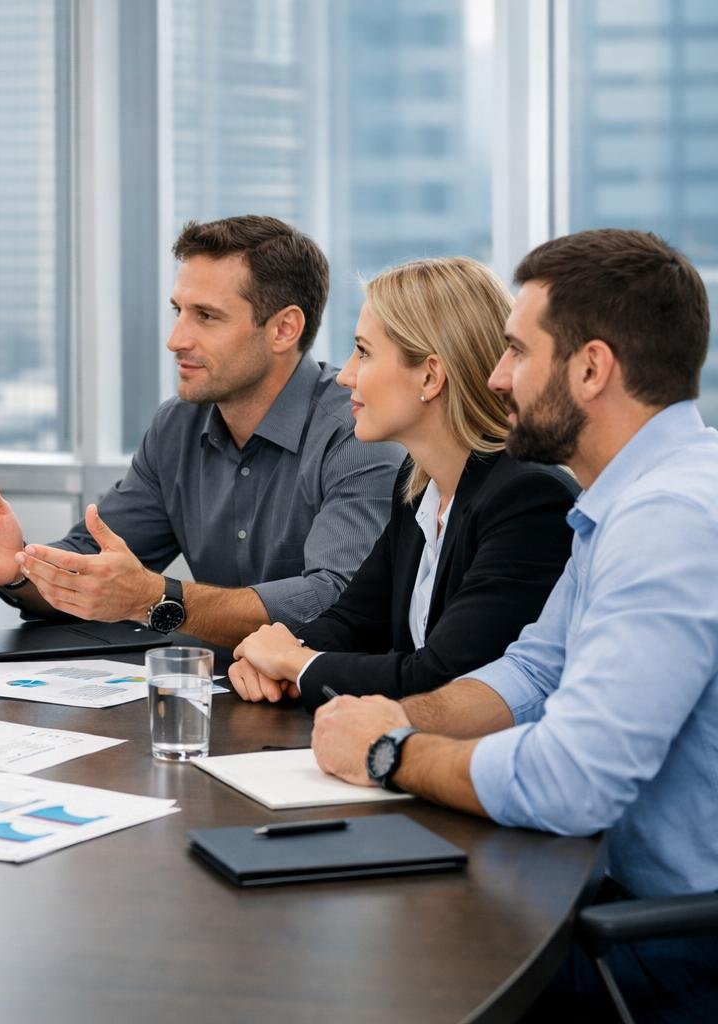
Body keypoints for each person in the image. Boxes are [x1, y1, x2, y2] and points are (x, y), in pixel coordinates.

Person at [309, 229, 718, 1020]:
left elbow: (571, 782)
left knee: (370, 973)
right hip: (613, 894)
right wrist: (392, 716)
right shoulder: (628, 501)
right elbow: (532, 672)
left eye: (517, 354)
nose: (496, 378)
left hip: (674, 945)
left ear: (591, 369)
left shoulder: (668, 521)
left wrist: (394, 752)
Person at [0, 215, 403, 659]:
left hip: (329, 707)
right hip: (216, 695)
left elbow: (336, 599)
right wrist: (21, 569)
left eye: (206, 316)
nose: (176, 339)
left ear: (284, 329)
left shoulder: (356, 431)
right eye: (178, 311)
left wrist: (157, 599)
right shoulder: (177, 427)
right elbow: (96, 563)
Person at [228, 257, 577, 711]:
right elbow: (353, 622)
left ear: (430, 376)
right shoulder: (417, 489)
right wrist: (270, 655)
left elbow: (442, 679)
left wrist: (297, 664)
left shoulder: (529, 500)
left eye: (364, 352)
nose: (347, 374)